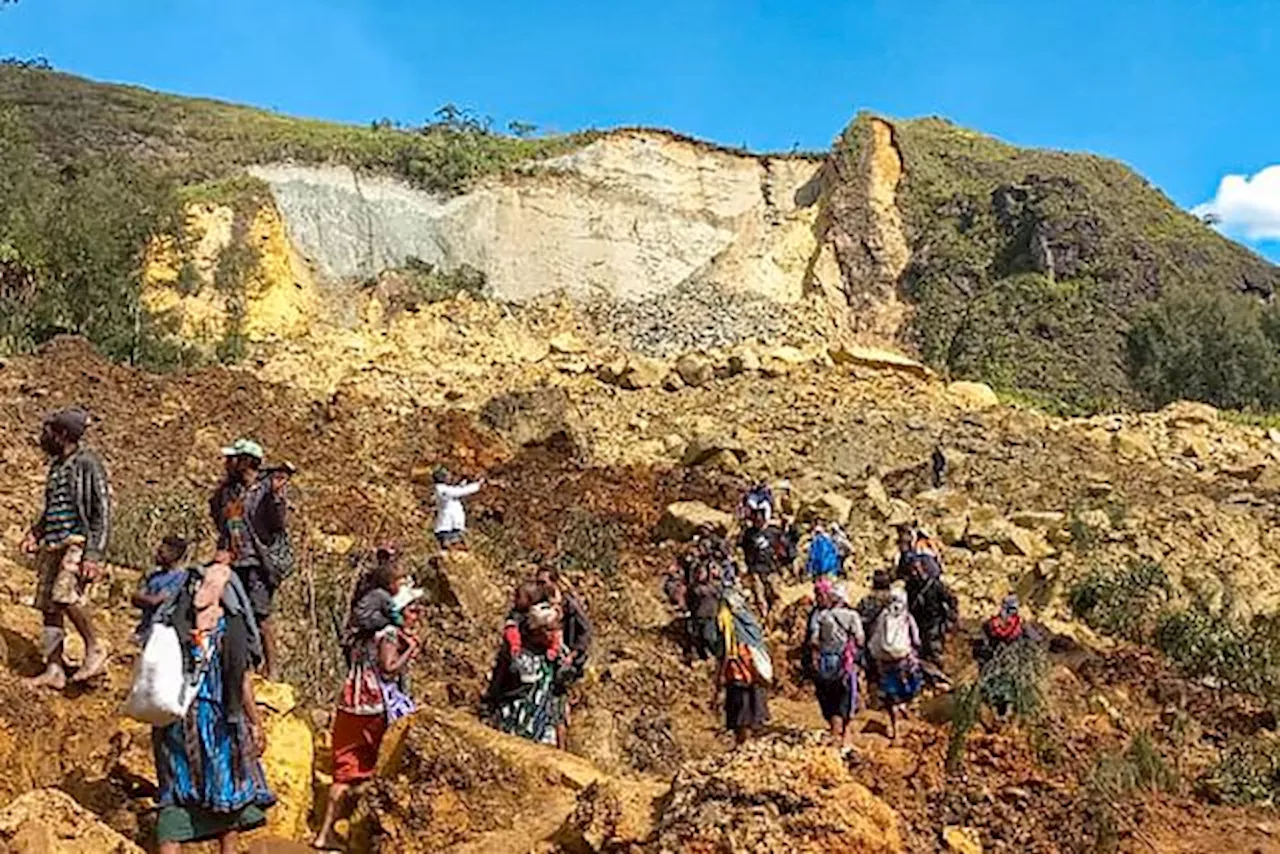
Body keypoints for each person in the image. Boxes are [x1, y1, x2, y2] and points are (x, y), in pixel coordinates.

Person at [150, 557, 274, 852]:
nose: (201, 589)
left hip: (201, 724)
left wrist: (254, 723)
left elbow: (241, 679)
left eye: (209, 583)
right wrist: (254, 723)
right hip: (206, 725)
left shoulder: (187, 625)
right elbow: (241, 681)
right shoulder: (209, 628)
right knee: (205, 800)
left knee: (200, 801)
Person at [314, 563, 423, 850]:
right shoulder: (387, 634)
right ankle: (366, 837)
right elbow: (387, 669)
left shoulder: (360, 634)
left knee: (344, 770)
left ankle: (324, 834)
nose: (416, 615)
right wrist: (409, 651)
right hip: (375, 706)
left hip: (349, 702)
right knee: (380, 766)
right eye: (412, 609)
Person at [20, 407, 111, 689]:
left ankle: (95, 647)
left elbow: (102, 511)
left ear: (63, 434)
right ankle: (55, 668)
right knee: (48, 606)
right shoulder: (57, 466)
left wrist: (94, 554)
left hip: (77, 542)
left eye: (49, 431)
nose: (43, 436)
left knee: (64, 595)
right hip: (54, 542)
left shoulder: (87, 463)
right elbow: (52, 509)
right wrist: (36, 533)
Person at [209, 438, 290, 680]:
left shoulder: (267, 490)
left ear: (245, 462)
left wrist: (276, 497)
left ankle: (272, 669)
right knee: (233, 612)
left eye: (233, 459)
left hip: (257, 563)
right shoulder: (228, 491)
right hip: (232, 561)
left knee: (260, 613)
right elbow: (219, 518)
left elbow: (278, 524)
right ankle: (242, 664)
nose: (227, 463)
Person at [484, 599, 566, 746]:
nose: (556, 634)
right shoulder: (519, 655)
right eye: (551, 630)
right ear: (540, 631)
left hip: (543, 725)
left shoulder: (555, 652)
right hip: (515, 721)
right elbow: (505, 683)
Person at [537, 566, 592, 749]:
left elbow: (586, 631)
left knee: (557, 701)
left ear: (554, 582)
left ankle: (561, 748)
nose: (541, 586)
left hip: (565, 660)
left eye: (543, 582)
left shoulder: (570, 604)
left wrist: (573, 654)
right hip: (547, 657)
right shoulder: (541, 602)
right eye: (538, 582)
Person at [807, 580, 864, 748]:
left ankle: (834, 731)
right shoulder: (852, 616)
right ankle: (845, 734)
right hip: (845, 662)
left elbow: (814, 640)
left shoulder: (821, 616)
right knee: (846, 695)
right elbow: (860, 640)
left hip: (826, 661)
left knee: (829, 695)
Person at [713, 588, 771, 745]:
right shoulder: (749, 619)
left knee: (741, 709)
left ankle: (743, 743)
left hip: (738, 668)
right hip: (756, 669)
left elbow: (724, 649)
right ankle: (754, 741)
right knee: (754, 706)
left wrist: (718, 676)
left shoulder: (727, 621)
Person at [868, 584, 923, 739]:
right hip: (904, 662)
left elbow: (874, 637)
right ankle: (904, 706)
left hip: (885, 664)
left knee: (890, 695)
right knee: (911, 685)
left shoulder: (883, 615)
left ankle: (895, 729)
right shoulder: (907, 616)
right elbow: (916, 640)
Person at [132, 535, 190, 645]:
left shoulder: (180, 578)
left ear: (174, 555)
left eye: (161, 553)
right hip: (146, 628)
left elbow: (155, 601)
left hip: (162, 631)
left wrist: (143, 598)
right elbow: (135, 598)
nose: (156, 555)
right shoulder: (153, 576)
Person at [904, 553, 957, 666]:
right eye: (912, 569)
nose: (914, 572)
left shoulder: (935, 585)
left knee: (934, 651)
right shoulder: (910, 586)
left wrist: (951, 619)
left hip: (934, 622)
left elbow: (951, 600)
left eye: (916, 569)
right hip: (918, 623)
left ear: (923, 568)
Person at [739, 511, 784, 620]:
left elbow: (782, 546)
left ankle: (774, 619)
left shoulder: (773, 532)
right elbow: (744, 549)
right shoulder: (749, 534)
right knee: (759, 596)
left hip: (771, 568)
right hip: (756, 569)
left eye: (760, 518)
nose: (758, 520)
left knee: (775, 594)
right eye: (756, 518)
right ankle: (763, 619)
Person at [433, 467, 483, 550]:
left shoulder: (444, 489)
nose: (449, 477)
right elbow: (459, 492)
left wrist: (464, 482)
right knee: (453, 549)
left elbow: (456, 490)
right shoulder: (442, 489)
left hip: (452, 526)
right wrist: (477, 485)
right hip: (448, 527)